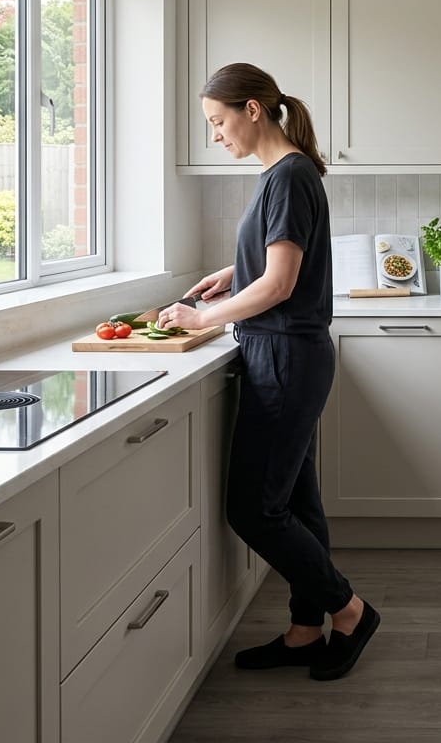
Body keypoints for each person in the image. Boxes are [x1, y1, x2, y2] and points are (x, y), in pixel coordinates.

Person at [156, 62, 379, 681]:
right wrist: (235, 272)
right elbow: (279, 263)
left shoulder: (289, 176)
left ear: (253, 109)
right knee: (297, 501)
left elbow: (281, 285)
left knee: (253, 510)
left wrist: (201, 320)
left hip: (283, 354)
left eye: (218, 121)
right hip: (285, 354)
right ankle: (306, 630)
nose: (215, 135)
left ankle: (350, 610)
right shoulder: (283, 174)